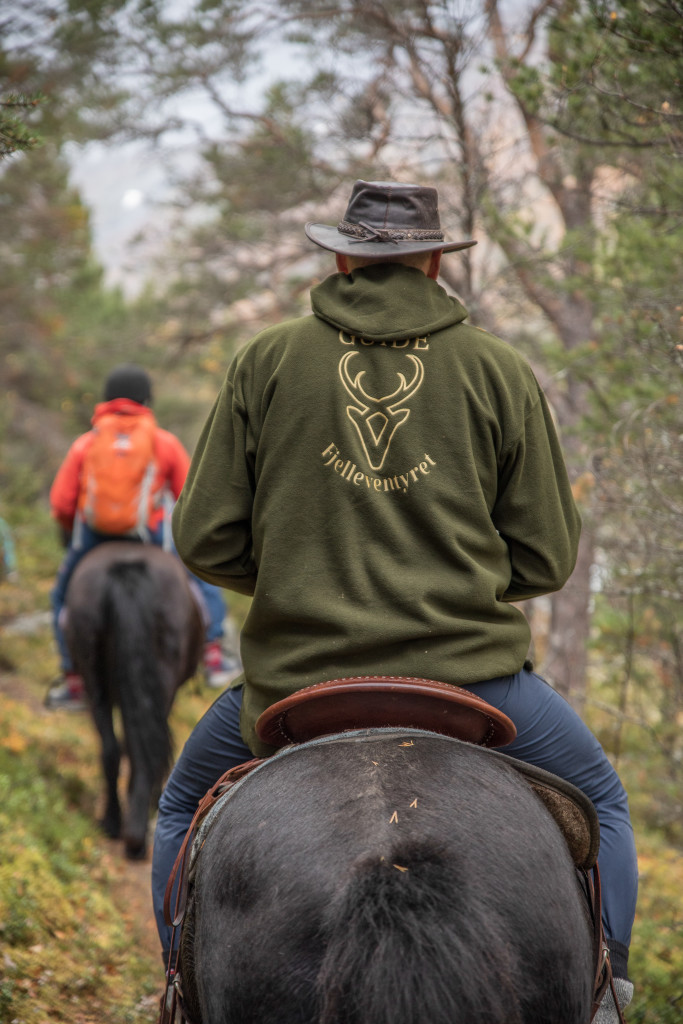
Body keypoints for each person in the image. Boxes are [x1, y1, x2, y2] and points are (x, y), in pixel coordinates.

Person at [152, 180, 637, 1021]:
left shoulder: (266, 360)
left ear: (343, 259)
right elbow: (547, 555)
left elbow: (203, 539)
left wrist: (302, 577)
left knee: (174, 809)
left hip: (296, 679)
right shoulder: (497, 368)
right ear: (433, 261)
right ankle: (610, 994)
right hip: (474, 678)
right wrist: (456, 583)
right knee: (602, 800)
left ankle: (174, 988)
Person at [45, 363, 243, 710]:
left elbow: (61, 503)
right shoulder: (164, 442)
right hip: (151, 535)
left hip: (95, 537)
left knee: (61, 596)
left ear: (107, 399)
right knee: (201, 579)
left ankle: (73, 679)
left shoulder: (86, 444)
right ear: (146, 399)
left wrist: (74, 530)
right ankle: (214, 655)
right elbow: (190, 500)